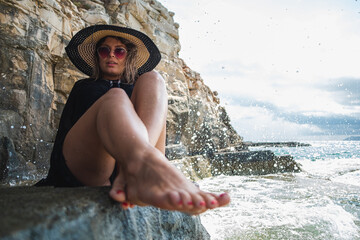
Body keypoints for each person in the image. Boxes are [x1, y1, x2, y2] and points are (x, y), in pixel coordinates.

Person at [36, 25, 230, 214]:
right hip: (89, 168)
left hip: (126, 168)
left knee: (154, 78)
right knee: (116, 97)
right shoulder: (84, 87)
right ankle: (144, 164)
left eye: (119, 51)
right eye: (104, 51)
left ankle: (140, 169)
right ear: (98, 56)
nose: (111, 55)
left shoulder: (140, 88)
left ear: (128, 57)